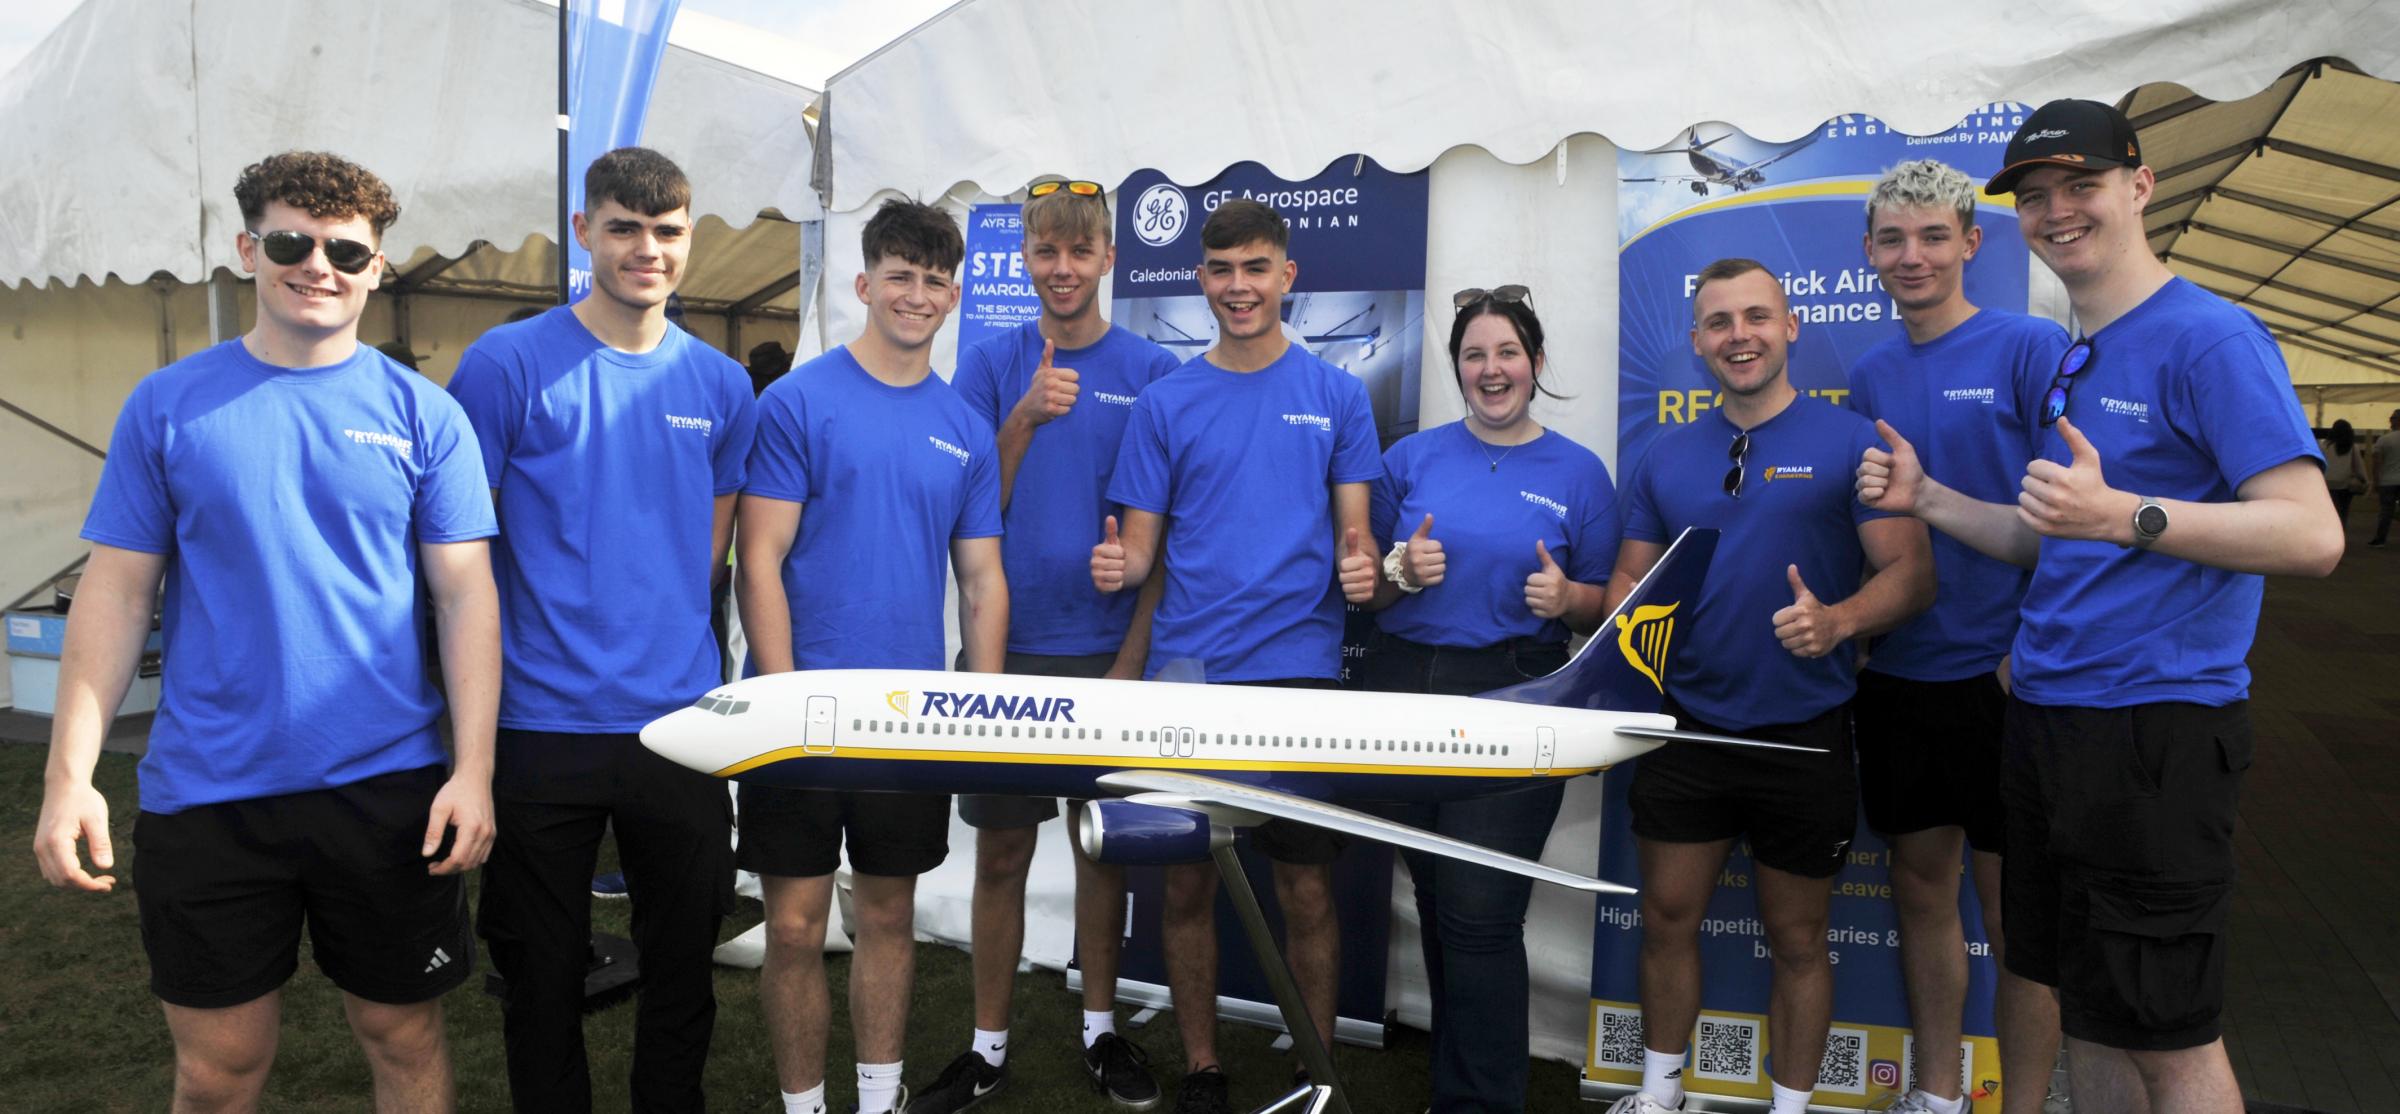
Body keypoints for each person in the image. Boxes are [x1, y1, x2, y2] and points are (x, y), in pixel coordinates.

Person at [1858, 99, 2342, 1113]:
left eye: (2080, 185)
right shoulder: (2081, 350)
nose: (2057, 210)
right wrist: (1933, 500)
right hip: (2050, 723)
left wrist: (2130, 514)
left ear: (2140, 186)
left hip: (2153, 732)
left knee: (2170, 1033)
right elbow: (2051, 536)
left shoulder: (2208, 338)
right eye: (2036, 195)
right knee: (2092, 1013)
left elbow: (2311, 533)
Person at [31, 150, 500, 1113]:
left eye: (345, 248)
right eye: (291, 241)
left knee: (403, 1036)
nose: (317, 263)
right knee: (219, 1069)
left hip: (385, 788)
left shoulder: (427, 416)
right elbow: (116, 596)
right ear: (249, 249)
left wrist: (475, 770)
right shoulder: (166, 406)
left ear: (377, 266)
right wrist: (69, 776)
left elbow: (466, 600)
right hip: (209, 793)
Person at [448, 146, 756, 1113]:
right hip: (539, 725)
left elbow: (708, 550)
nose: (647, 249)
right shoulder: (505, 365)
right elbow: (462, 549)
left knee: (681, 971)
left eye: (667, 232)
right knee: (538, 979)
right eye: (624, 227)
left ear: (689, 241)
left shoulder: (721, 384)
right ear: (583, 231)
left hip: (681, 726)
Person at [1603, 258, 1934, 1114]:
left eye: (1756, 316)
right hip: (1687, 730)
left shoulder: (1854, 440)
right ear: (1697, 343)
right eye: (1719, 322)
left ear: (1791, 327)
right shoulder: (1664, 457)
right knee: (1668, 920)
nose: (1738, 335)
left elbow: (1911, 573)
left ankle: (1789, 1110)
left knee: (1799, 939)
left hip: (1805, 729)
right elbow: (1626, 594)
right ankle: (1659, 1095)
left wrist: (1839, 622)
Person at [1090, 198, 1379, 1114]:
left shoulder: (1337, 394)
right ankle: (1203, 1069)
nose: (1239, 287)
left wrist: (1368, 565)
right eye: (1222, 270)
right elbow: (1141, 552)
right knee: (1187, 888)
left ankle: (1316, 1067)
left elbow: (1356, 538)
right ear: (1201, 280)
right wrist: (1116, 562)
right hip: (1190, 679)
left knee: (1304, 888)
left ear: (1287, 276)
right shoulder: (1167, 401)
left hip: (1300, 676)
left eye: (1256, 268)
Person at [908, 179, 1179, 1113]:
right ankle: (987, 1047)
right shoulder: (988, 366)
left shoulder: (1151, 370)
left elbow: (1166, 540)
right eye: (1044, 252)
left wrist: (1133, 659)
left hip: (1107, 656)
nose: (1061, 270)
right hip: (1006, 656)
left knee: (1104, 853)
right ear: (1023, 260)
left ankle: (1101, 1031)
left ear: (1109, 258)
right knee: (1000, 856)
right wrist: (1023, 417)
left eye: (1079, 252)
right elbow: (967, 509)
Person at [738, 198, 1008, 1114]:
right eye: (900, 275)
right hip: (799, 717)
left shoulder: (965, 426)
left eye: (935, 280)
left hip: (908, 719)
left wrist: (986, 706)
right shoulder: (798, 400)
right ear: (864, 283)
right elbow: (759, 559)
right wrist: (779, 704)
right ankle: (803, 1105)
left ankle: (881, 1098)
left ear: (954, 295)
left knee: (890, 916)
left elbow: (981, 583)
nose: (917, 294)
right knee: (794, 925)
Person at [1336, 285, 1619, 1113]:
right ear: (1456, 367)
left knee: (1482, 914)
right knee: (1433, 900)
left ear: (1534, 362)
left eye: (1507, 353)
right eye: (1473, 355)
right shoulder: (1412, 459)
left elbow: (1609, 605)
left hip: (1520, 693)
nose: (1491, 370)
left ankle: (1482, 1102)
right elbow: (1370, 597)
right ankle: (1454, 1090)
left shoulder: (1578, 471)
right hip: (1408, 692)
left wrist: (1569, 600)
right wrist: (1398, 571)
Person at [1844, 159, 2066, 1114]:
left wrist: (2039, 644)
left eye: (1934, 236)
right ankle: (1935, 1097)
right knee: (1922, 895)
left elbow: (2074, 518)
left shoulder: (2030, 346)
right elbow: (1876, 532)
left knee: (2022, 926)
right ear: (1869, 256)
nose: (1914, 256)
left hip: (2011, 683)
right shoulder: (1870, 374)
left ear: (1973, 244)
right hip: (1902, 676)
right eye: (1894, 240)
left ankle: (2020, 1106)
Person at [2321, 419, 2364, 530]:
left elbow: (2319, 464)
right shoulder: (2352, 447)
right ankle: (2340, 534)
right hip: (2345, 485)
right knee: (2343, 512)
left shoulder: (2324, 445)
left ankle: (2328, 534)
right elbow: (2358, 466)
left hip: (2326, 484)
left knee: (2328, 512)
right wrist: (2364, 480)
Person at [2370, 409, 2400, 547]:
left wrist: (2376, 481)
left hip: (2387, 481)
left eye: (2392, 418)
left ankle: (2380, 539)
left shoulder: (2384, 439)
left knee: (2386, 512)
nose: (2390, 421)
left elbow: (2376, 462)